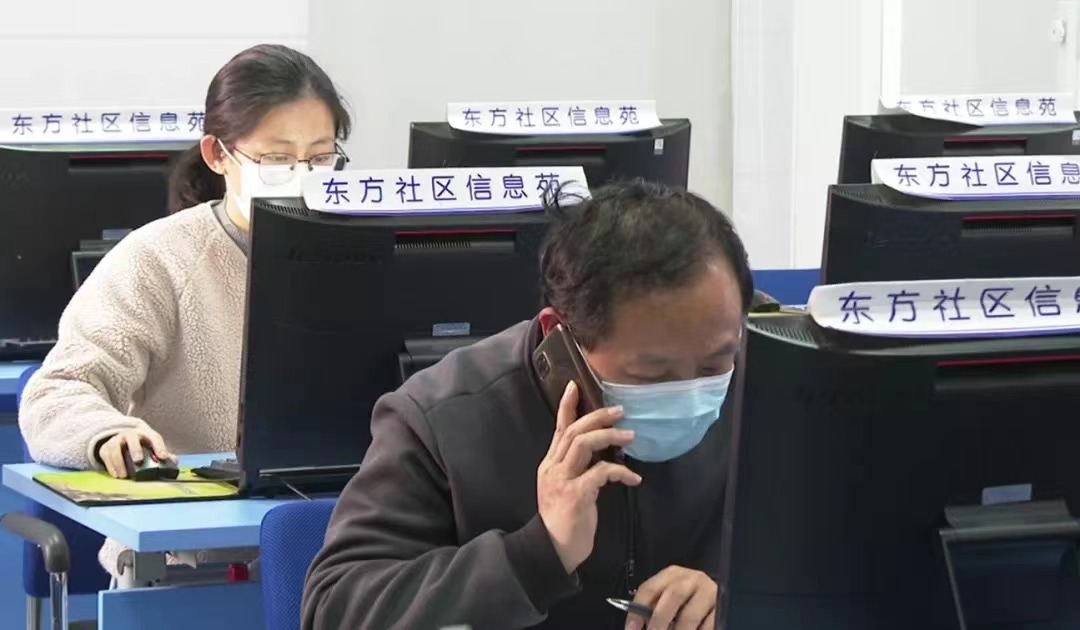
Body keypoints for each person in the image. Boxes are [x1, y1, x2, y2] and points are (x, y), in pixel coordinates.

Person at [302, 180, 753, 629]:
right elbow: (334, 610)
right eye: (650, 375)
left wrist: (740, 597)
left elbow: (795, 563)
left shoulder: (763, 392)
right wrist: (537, 555)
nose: (691, 393)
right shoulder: (442, 417)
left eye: (714, 365)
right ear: (561, 334)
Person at [18, 43, 351, 581]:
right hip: (190, 558)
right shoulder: (159, 259)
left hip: (352, 544)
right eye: (276, 160)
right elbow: (56, 392)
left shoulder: (366, 248)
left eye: (319, 158)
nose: (301, 176)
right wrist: (106, 433)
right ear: (218, 155)